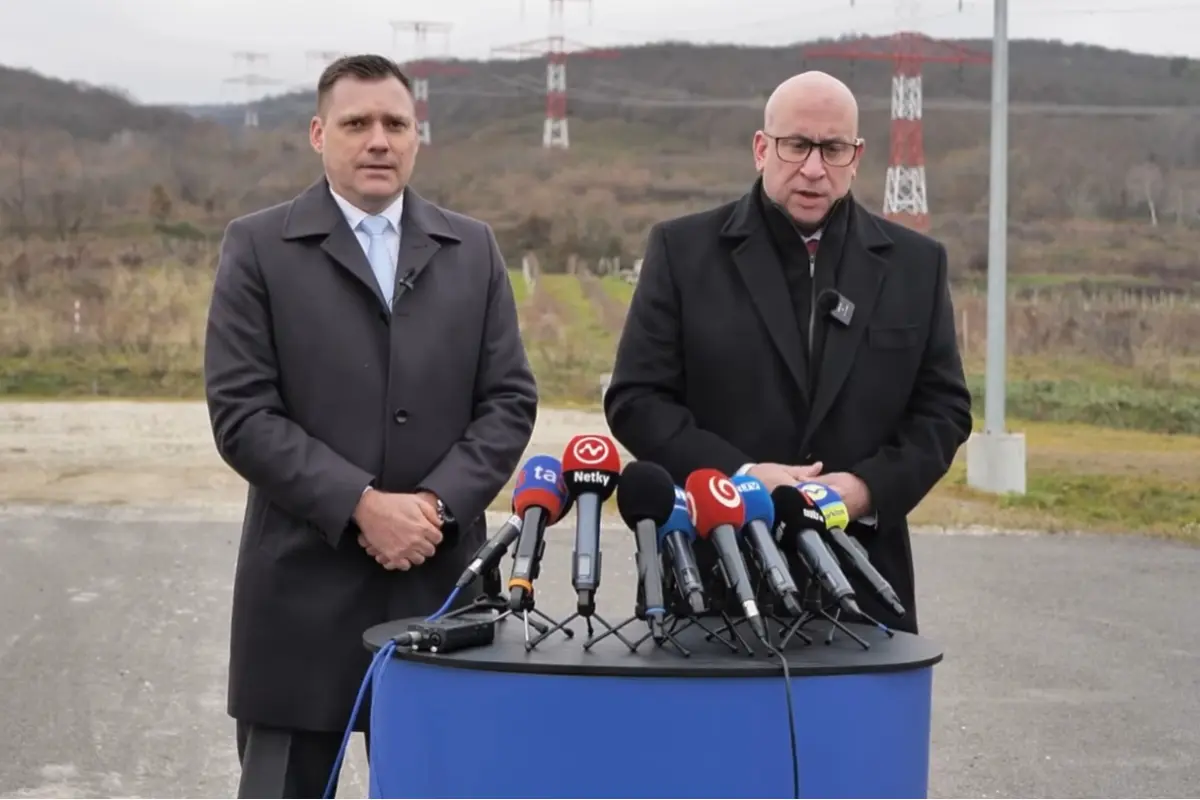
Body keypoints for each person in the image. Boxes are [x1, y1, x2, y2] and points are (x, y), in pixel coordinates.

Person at [203, 54, 537, 797]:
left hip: (440, 585)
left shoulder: (471, 247)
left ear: (419, 136)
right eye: (357, 124)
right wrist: (360, 505)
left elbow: (509, 400)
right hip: (299, 593)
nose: (378, 140)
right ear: (319, 134)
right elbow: (242, 412)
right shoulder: (258, 247)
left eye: (396, 123)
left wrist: (434, 507)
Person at [603, 70, 972, 635]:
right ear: (761, 148)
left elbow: (943, 412)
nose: (813, 168)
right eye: (796, 145)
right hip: (711, 578)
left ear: (857, 156)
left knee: (856, 729)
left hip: (865, 579)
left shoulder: (915, 266)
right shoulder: (682, 251)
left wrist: (864, 489)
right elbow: (637, 400)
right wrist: (742, 479)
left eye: (833, 148)